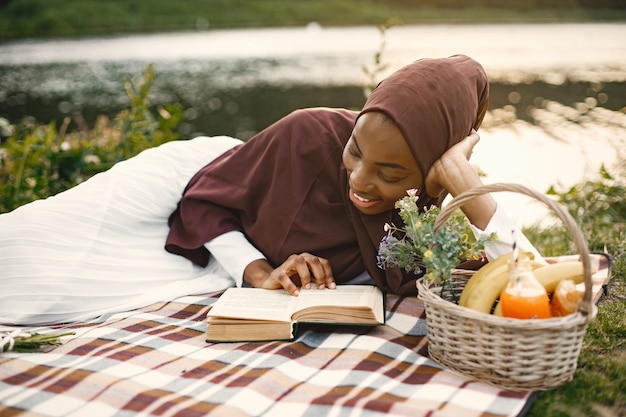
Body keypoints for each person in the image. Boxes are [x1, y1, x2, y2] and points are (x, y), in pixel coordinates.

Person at [0, 54, 539, 326]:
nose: (358, 180)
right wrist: (260, 271)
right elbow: (205, 199)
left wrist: (470, 187)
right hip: (200, 183)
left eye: (392, 174)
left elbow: (537, 287)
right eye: (356, 150)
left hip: (223, 225)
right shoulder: (309, 134)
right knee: (28, 253)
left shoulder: (432, 211)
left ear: (432, 167)